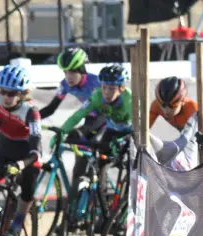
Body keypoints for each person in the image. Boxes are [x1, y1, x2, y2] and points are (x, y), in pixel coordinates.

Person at [0, 65, 43, 236]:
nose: (7, 97)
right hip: (4, 146)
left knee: (27, 189)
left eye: (13, 93)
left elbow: (36, 148)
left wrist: (22, 164)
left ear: (22, 93)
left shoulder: (31, 112)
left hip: (26, 152)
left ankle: (17, 224)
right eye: (3, 92)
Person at [57, 63, 133, 201]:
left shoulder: (129, 101)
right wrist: (62, 132)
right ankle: (101, 200)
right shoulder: (97, 96)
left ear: (122, 88)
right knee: (101, 164)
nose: (107, 92)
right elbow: (78, 115)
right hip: (111, 130)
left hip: (130, 133)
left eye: (111, 88)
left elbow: (141, 127)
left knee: (131, 166)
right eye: (104, 87)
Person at [40, 48, 103, 133]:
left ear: (82, 71)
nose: (69, 77)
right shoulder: (65, 85)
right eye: (65, 72)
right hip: (90, 117)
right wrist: (33, 118)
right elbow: (51, 108)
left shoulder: (97, 82)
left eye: (73, 72)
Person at [149, 77, 199, 171]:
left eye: (172, 106)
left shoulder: (193, 109)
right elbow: (144, 128)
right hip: (183, 135)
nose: (166, 110)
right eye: (162, 105)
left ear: (182, 101)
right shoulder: (156, 106)